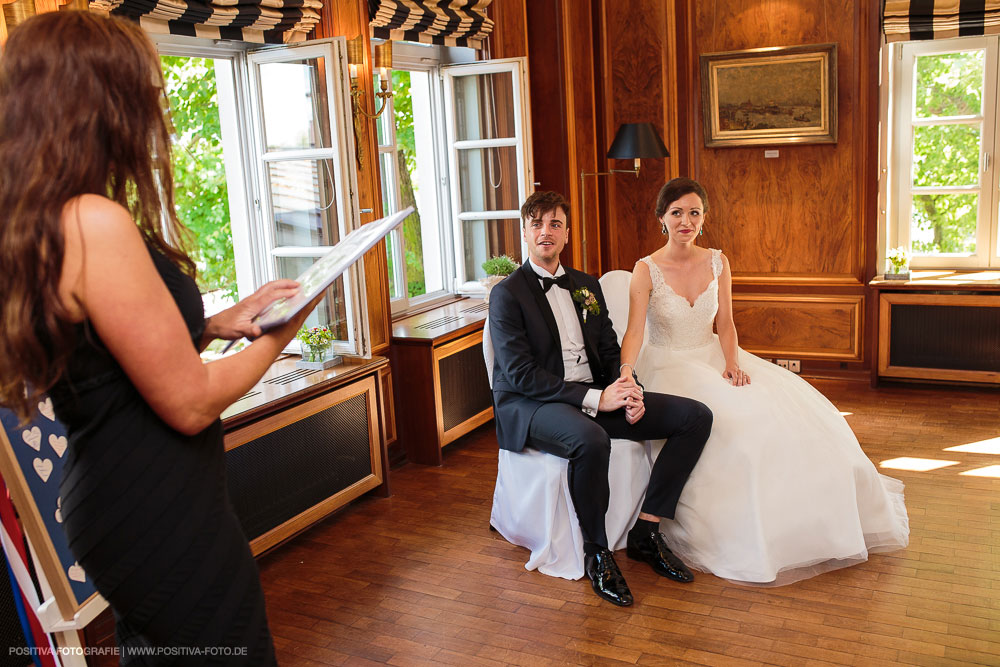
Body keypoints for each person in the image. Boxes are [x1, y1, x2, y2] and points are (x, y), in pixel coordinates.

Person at [0, 12, 325, 662]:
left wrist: (213, 323)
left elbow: (102, 357)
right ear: (96, 98)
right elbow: (191, 400)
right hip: (155, 506)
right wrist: (283, 327)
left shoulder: (46, 218)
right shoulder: (94, 219)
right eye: (140, 88)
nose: (156, 105)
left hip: (124, 500)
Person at [618, 177, 909, 585]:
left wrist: (732, 362)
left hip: (713, 353)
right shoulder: (645, 269)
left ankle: (803, 522)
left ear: (704, 218)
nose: (686, 221)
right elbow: (633, 331)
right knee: (732, 426)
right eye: (677, 213)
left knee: (779, 416)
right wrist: (627, 372)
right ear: (661, 218)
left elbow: (726, 322)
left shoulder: (718, 261)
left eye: (695, 212)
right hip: (667, 364)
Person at [488, 190, 713, 607]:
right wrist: (595, 398)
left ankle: (646, 533)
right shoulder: (507, 294)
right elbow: (520, 375)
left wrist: (630, 390)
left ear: (567, 233)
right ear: (524, 231)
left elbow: (610, 353)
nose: (545, 232)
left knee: (694, 417)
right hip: (534, 405)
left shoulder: (586, 286)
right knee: (590, 440)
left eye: (555, 224)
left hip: (594, 396)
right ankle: (598, 553)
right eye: (537, 223)